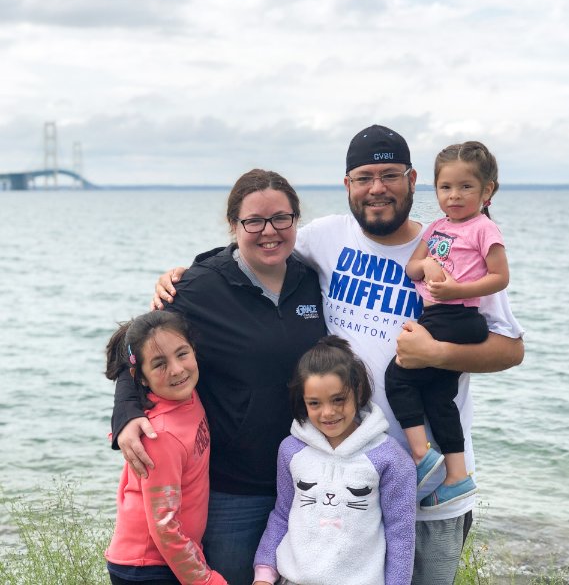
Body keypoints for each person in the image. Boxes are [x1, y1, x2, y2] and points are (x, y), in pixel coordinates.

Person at [150, 125, 524, 584]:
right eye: (364, 176)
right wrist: (186, 274)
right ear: (347, 185)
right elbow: (259, 247)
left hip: (431, 485)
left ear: (412, 180)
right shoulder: (325, 237)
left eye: (390, 175)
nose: (377, 188)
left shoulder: (452, 245)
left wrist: (438, 353)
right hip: (339, 483)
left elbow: (510, 349)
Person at [111, 170, 327, 585]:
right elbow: (136, 349)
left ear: (296, 220)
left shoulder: (313, 279)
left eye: (282, 218)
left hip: (308, 480)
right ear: (234, 225)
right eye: (254, 221)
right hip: (233, 490)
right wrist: (126, 414)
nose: (269, 231)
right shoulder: (199, 287)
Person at [385, 141, 510, 510]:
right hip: (442, 317)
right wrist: (424, 267)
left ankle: (421, 456)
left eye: (466, 187)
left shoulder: (483, 229)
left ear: (487, 190)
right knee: (440, 398)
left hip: (457, 317)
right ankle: (457, 476)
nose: (454, 196)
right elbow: (411, 267)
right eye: (446, 187)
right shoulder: (437, 228)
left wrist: (458, 289)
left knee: (398, 376)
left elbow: (500, 277)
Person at [252, 335, 416, 585]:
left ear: (358, 391)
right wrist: (264, 574)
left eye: (338, 399)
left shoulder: (390, 458)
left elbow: (401, 535)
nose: (328, 412)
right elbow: (282, 514)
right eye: (314, 403)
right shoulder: (290, 450)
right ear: (303, 402)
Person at [104, 311, 227, 585]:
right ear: (141, 377)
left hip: (168, 558)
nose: (176, 370)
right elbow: (164, 526)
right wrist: (204, 579)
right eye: (159, 364)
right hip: (147, 567)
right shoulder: (160, 435)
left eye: (182, 354)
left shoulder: (188, 394)